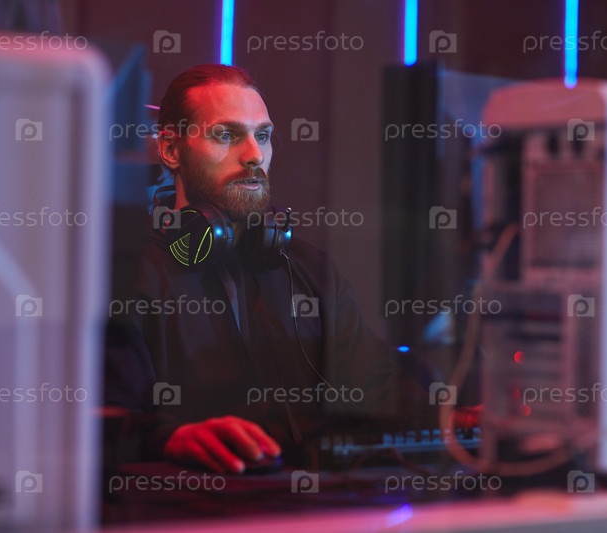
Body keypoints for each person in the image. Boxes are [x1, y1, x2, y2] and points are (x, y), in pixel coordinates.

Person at [104, 64, 475, 475]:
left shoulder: (308, 270)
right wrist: (168, 439)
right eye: (226, 135)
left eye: (262, 136)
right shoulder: (128, 276)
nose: (254, 155)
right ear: (171, 150)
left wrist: (456, 421)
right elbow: (99, 423)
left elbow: (377, 386)